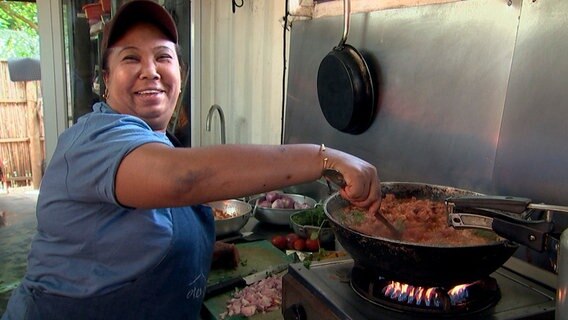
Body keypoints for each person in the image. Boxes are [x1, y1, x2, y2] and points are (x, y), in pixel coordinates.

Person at [1, 1, 381, 319]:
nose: (150, 70)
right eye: (130, 58)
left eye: (162, 57)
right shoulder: (94, 139)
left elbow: (127, 242)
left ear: (179, 74)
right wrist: (324, 157)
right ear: (105, 78)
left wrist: (198, 254)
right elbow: (181, 180)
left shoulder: (156, 142)